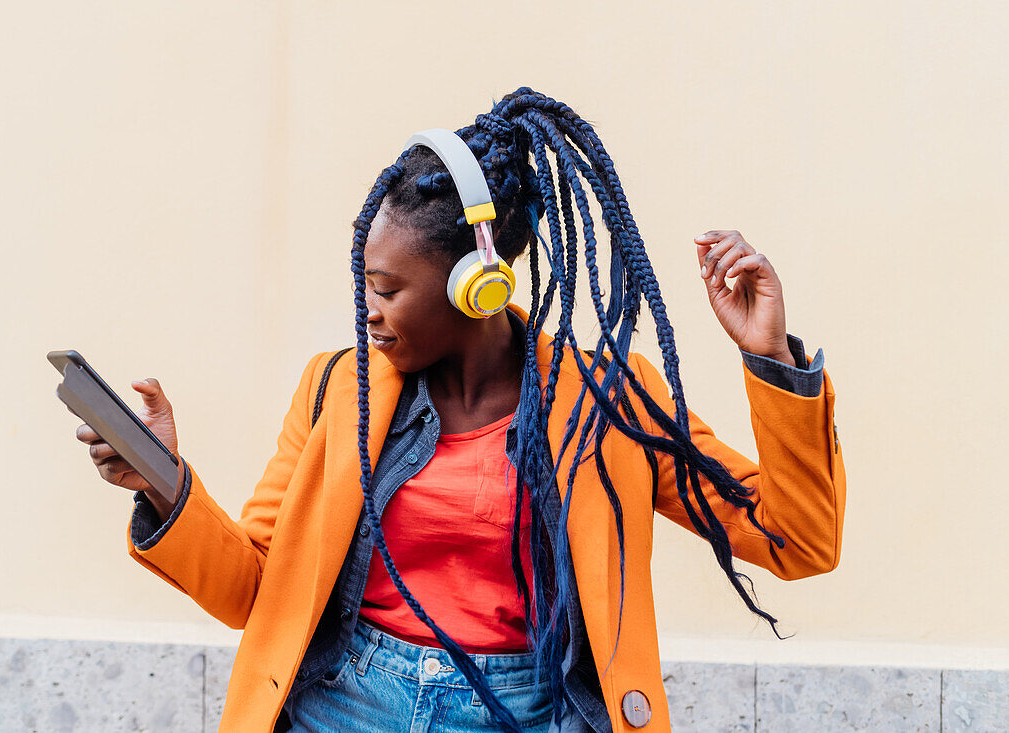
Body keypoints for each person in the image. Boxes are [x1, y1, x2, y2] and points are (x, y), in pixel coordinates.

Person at [73, 87, 846, 733]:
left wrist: (769, 358)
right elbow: (252, 590)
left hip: (526, 710)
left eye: (385, 288)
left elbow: (798, 537)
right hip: (345, 704)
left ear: (479, 285)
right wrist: (165, 484)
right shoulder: (338, 387)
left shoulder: (609, 400)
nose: (366, 312)